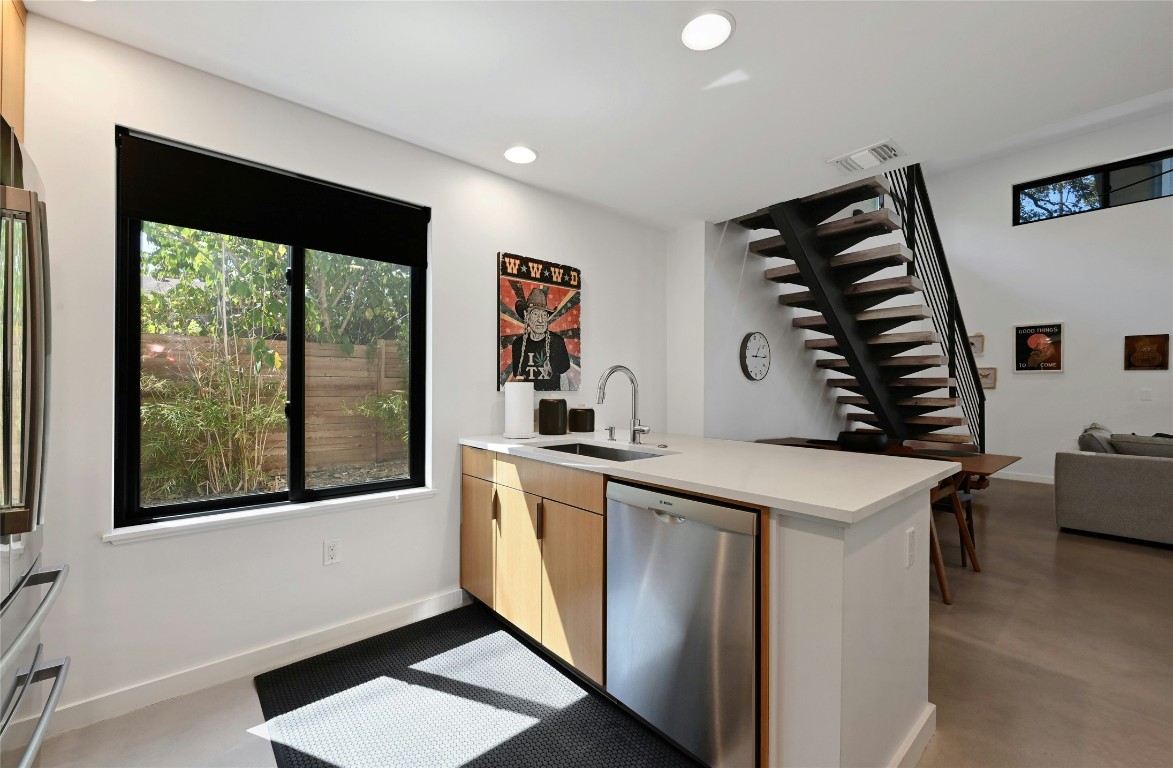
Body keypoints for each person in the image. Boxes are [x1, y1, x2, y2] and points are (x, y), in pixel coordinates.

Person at [510, 287, 570, 390]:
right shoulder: (517, 344)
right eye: (535, 314)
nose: (540, 320)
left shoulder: (557, 342)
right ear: (527, 317)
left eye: (543, 315)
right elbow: (518, 380)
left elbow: (564, 378)